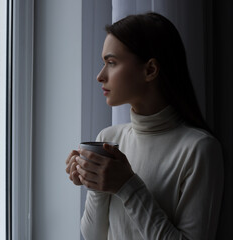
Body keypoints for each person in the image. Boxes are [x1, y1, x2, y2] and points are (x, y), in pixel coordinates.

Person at [65, 12, 223, 240]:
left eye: (111, 62)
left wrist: (126, 185)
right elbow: (93, 236)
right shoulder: (108, 139)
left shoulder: (200, 150)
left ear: (150, 70)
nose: (100, 76)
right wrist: (97, 184)